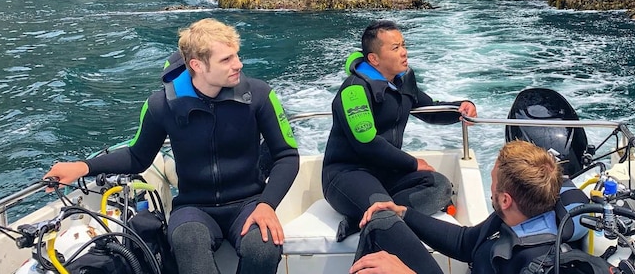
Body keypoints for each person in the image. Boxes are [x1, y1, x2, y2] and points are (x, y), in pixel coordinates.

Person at [44, 18, 300, 274]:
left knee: (263, 246)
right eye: (226, 59)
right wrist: (81, 167)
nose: (238, 64)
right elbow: (137, 156)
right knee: (187, 241)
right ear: (197, 65)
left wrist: (266, 205)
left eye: (236, 55)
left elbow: (286, 155)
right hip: (193, 208)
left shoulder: (259, 95)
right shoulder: (161, 106)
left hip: (249, 203)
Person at [322, 20, 478, 243]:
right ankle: (373, 218)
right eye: (395, 48)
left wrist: (460, 109)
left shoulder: (401, 82)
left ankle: (361, 218)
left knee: (439, 186)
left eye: (403, 45)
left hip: (386, 172)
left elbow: (429, 108)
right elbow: (367, 143)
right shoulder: (354, 91)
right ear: (374, 59)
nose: (404, 52)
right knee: (383, 213)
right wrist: (413, 163)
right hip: (347, 174)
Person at [350, 140, 590, 274]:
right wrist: (403, 212)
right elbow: (465, 242)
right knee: (382, 221)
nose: (490, 184)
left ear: (506, 199)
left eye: (493, 180)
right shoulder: (516, 217)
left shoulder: (533, 264)